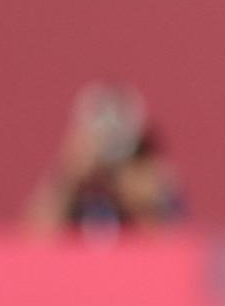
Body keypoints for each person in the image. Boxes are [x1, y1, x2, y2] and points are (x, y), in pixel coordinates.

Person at [26, 83, 187, 236]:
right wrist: (68, 178)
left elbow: (168, 237)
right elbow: (33, 236)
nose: (108, 138)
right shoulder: (76, 178)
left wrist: (122, 183)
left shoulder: (148, 172)